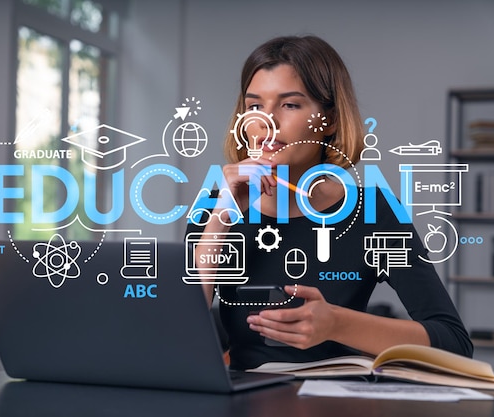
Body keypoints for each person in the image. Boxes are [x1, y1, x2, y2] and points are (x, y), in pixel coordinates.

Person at [187, 35, 473, 371]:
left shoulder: (374, 211)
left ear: (330, 120)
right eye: (254, 107)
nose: (265, 123)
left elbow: (453, 344)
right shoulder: (215, 205)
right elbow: (176, 335)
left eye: (289, 105)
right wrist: (220, 219)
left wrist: (337, 323)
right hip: (241, 398)